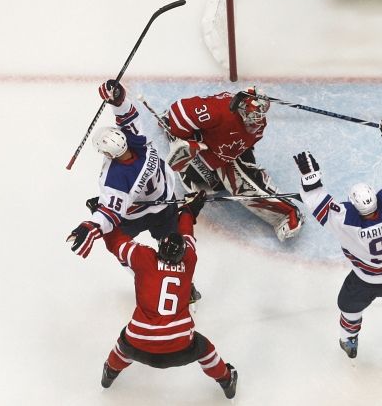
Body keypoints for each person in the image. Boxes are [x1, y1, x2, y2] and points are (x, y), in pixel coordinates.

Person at [293, 120, 382, 360]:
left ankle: (349, 340)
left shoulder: (345, 221)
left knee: (348, 309)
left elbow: (316, 198)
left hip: (365, 281)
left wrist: (310, 178)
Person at [65, 79, 201, 303]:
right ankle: (179, 289)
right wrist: (117, 98)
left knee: (123, 251)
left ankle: (163, 284)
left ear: (108, 154)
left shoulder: (114, 177)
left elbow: (110, 214)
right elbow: (127, 117)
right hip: (164, 203)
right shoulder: (138, 141)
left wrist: (90, 226)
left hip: (143, 212)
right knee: (173, 249)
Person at [97, 191, 238, 399]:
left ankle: (109, 372)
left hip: (138, 343)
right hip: (180, 346)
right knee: (205, 349)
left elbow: (115, 243)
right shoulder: (189, 259)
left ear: (159, 249)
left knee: (124, 344)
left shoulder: (143, 257)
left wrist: (101, 219)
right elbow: (187, 233)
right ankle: (226, 380)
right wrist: (189, 210)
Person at [164, 86, 304, 242]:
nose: (257, 120)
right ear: (242, 108)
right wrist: (185, 140)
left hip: (226, 154)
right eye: (253, 115)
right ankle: (286, 213)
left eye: (259, 115)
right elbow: (179, 112)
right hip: (206, 152)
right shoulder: (218, 111)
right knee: (217, 183)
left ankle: (285, 214)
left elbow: (247, 142)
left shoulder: (258, 125)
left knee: (238, 182)